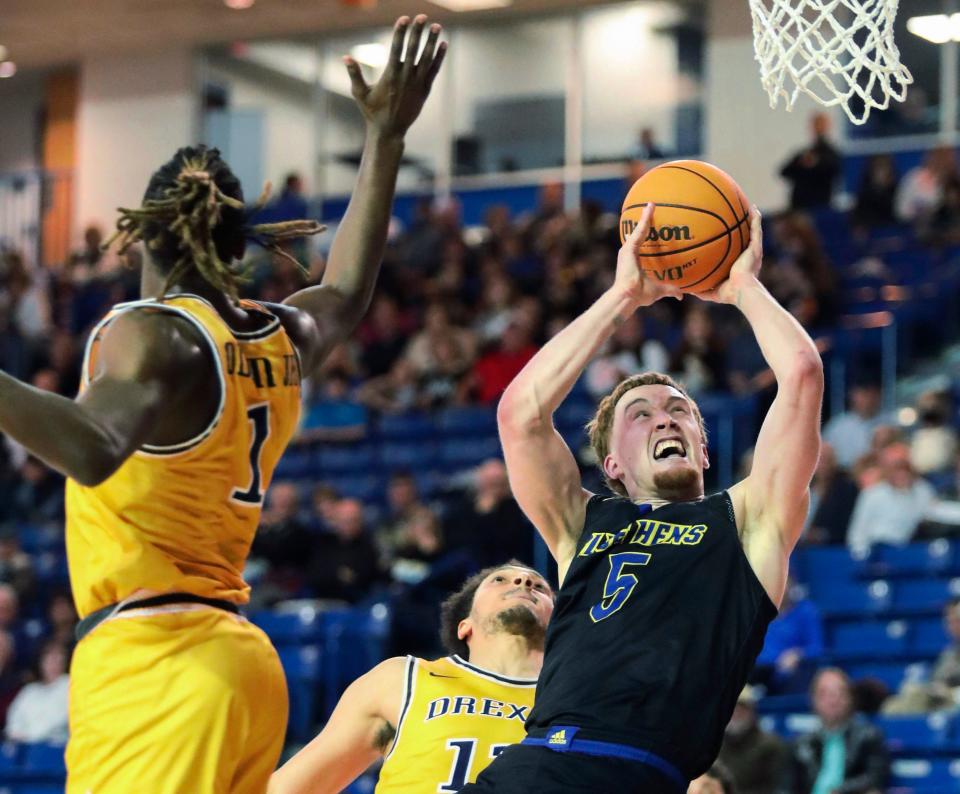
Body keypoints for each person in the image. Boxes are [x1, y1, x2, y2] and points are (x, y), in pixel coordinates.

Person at [0, 15, 445, 793]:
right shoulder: (275, 333)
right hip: (240, 664)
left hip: (156, 668)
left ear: (142, 235)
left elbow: (94, 447)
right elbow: (343, 289)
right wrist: (385, 140)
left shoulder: (153, 336)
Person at [467, 202, 822, 793]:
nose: (665, 420)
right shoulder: (582, 522)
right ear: (612, 465)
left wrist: (743, 289)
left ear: (704, 451)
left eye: (680, 410)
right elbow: (520, 414)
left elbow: (803, 373)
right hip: (532, 764)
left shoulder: (747, 520)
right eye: (641, 414)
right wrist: (622, 298)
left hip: (638, 774)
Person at [269, 562, 554, 794]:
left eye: (540, 586)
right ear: (464, 625)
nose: (523, 583)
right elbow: (291, 787)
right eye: (500, 580)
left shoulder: (580, 700)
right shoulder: (402, 679)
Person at [781, 668, 888, 794]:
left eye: (840, 693)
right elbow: (786, 787)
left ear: (850, 698)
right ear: (813, 700)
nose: (833, 700)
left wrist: (840, 790)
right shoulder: (801, 745)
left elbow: (874, 777)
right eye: (824, 694)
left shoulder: (868, 736)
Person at [717, 687, 786, 794]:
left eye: (742, 708)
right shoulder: (713, 747)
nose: (736, 713)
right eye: (732, 709)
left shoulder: (771, 745)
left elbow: (774, 788)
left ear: (752, 711)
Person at [6, 640, 70, 744]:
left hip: (55, 746)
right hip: (23, 745)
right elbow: (14, 718)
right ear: (41, 661)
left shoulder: (69, 684)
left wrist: (31, 737)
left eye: (58, 658)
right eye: (49, 659)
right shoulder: (30, 690)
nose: (54, 663)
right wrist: (17, 734)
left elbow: (60, 718)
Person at [779, 113, 841, 211]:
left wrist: (816, 163)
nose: (818, 128)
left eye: (821, 124)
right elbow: (784, 171)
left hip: (819, 206)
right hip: (799, 206)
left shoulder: (831, 155)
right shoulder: (803, 154)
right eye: (816, 124)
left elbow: (835, 171)